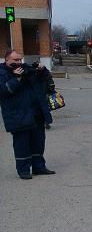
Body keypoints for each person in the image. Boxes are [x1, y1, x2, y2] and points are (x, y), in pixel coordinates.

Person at [0, 50, 55, 179]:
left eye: (20, 60)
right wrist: (16, 79)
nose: (18, 62)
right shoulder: (2, 73)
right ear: (7, 60)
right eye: (15, 60)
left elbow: (44, 80)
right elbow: (3, 91)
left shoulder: (26, 69)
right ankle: (24, 170)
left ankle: (39, 167)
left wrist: (42, 70)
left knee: (38, 142)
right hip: (18, 115)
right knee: (22, 144)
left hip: (36, 113)